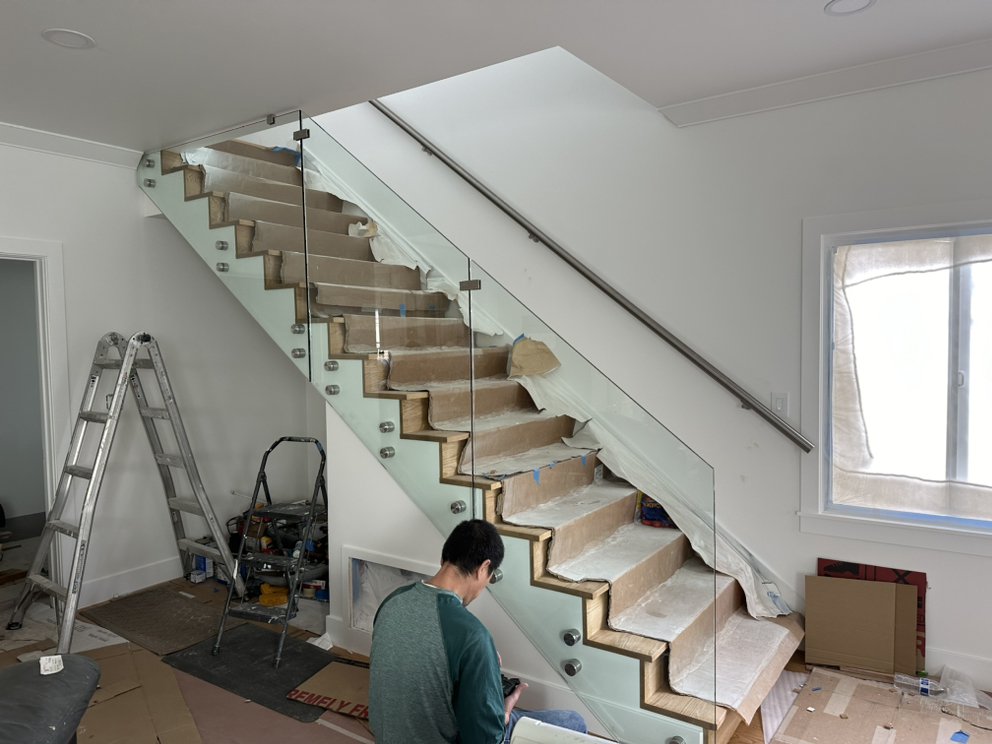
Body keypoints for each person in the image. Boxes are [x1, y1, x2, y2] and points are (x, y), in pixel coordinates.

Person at [369, 519, 587, 743]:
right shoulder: (472, 635)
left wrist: (480, 664)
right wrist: (502, 713)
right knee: (574, 722)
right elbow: (484, 739)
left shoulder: (392, 601)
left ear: (443, 558)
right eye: (489, 578)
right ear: (484, 568)